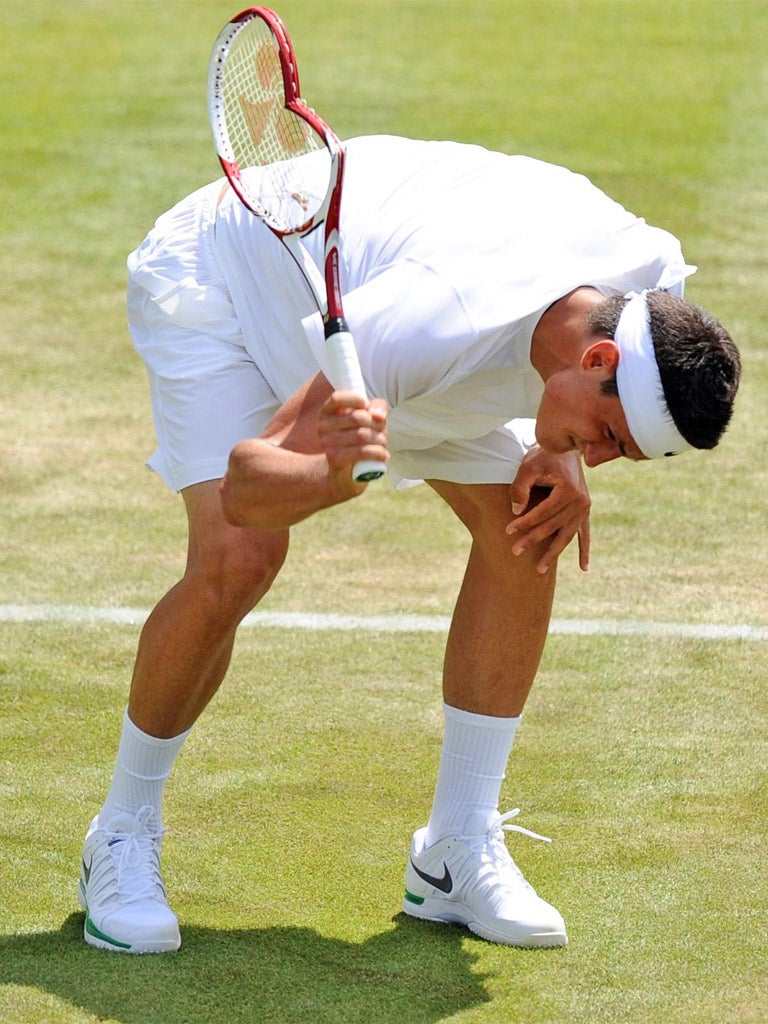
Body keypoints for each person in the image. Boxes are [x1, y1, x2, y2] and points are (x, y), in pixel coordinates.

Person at [78, 135, 740, 953]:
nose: (599, 459)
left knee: (529, 518)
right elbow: (253, 487)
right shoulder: (431, 316)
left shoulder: (653, 290)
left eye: (619, 453)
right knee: (240, 559)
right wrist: (331, 478)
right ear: (598, 357)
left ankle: (455, 850)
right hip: (224, 278)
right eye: (605, 435)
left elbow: (582, 409)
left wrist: (561, 452)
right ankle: (121, 831)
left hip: (384, 317)